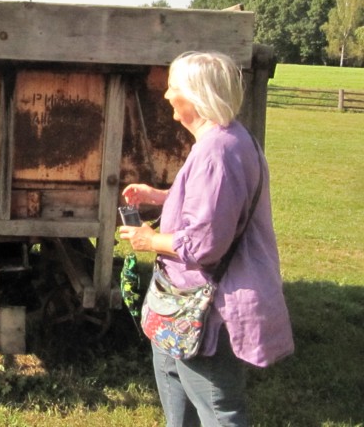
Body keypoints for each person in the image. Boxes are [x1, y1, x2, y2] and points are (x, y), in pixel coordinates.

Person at [118, 51, 293, 427]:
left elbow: (204, 245)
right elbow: (216, 203)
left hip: (205, 311)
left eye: (174, 88)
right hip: (178, 308)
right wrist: (161, 196)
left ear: (196, 95)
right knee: (176, 392)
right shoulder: (227, 140)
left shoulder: (217, 152)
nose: (167, 96)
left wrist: (150, 240)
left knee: (218, 412)